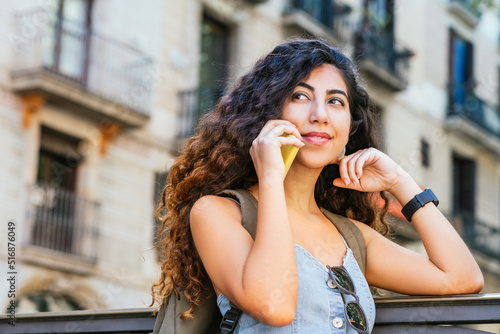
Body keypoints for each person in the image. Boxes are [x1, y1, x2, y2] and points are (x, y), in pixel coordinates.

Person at [151, 39, 483, 333]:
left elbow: (462, 279)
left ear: (348, 129)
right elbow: (274, 306)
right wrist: (270, 178)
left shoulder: (350, 237)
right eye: (300, 96)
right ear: (266, 112)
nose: (320, 114)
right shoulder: (218, 212)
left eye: (336, 101)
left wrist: (399, 182)